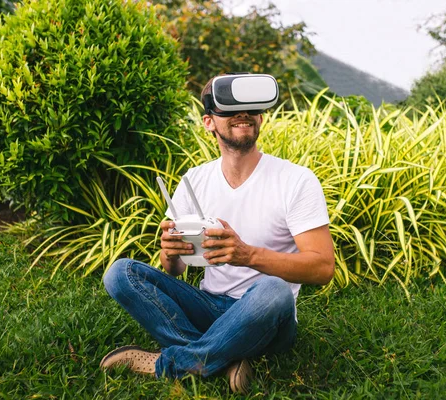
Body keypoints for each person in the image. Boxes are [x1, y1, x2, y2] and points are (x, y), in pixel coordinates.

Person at [99, 73, 335, 394]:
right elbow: (175, 270)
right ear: (209, 122)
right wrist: (171, 251)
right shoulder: (194, 180)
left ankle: (171, 364)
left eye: (250, 107)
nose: (243, 113)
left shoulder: (296, 180)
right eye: (230, 108)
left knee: (273, 290)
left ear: (261, 117)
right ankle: (226, 354)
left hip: (267, 314)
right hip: (209, 305)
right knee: (120, 273)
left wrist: (247, 255)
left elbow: (322, 269)